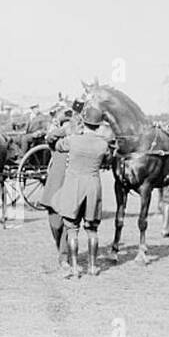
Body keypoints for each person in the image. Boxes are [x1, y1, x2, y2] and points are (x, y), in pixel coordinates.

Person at [53, 103, 114, 277]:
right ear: (98, 125)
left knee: (72, 229)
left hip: (73, 186)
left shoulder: (73, 140)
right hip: (93, 187)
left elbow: (58, 146)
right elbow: (108, 161)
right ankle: (93, 267)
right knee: (92, 229)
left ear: (84, 123)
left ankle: (73, 268)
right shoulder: (103, 145)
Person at [37, 101, 79, 272]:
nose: (68, 127)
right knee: (55, 225)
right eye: (65, 124)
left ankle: (64, 256)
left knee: (68, 223)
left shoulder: (78, 142)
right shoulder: (56, 142)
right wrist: (63, 130)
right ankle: (60, 249)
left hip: (70, 187)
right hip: (54, 187)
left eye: (70, 124)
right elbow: (49, 137)